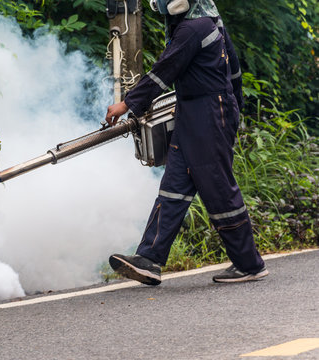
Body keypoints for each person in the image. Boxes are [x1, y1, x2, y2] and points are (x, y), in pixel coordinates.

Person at [105, 0, 268, 284]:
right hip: (195, 112)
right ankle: (150, 258)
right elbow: (235, 73)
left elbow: (163, 72)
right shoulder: (208, 18)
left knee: (217, 187)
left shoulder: (195, 27)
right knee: (174, 186)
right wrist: (233, 109)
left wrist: (127, 104)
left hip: (209, 113)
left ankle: (249, 264)